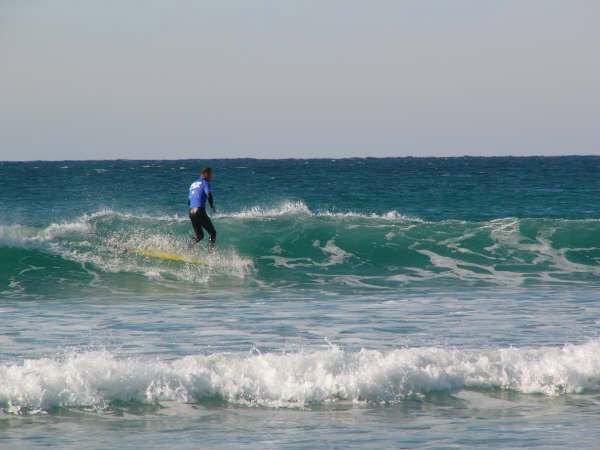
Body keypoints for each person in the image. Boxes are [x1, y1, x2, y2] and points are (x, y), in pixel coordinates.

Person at [188, 167, 216, 251]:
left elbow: (189, 201)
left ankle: (187, 248)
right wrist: (211, 206)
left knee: (199, 236)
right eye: (211, 174)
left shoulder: (193, 184)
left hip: (191, 211)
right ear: (206, 174)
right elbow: (209, 195)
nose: (211, 176)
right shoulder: (205, 182)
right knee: (212, 233)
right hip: (199, 210)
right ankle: (210, 255)